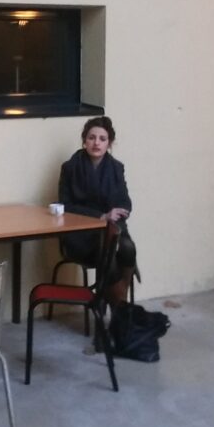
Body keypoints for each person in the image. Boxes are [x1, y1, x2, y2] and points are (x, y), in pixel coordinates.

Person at [58, 116, 138, 307]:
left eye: (102, 139)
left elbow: (125, 202)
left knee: (128, 247)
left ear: (109, 143)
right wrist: (101, 216)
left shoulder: (116, 168)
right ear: (84, 140)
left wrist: (118, 212)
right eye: (92, 137)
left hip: (111, 229)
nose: (96, 143)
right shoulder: (70, 167)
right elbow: (65, 205)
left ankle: (116, 301)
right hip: (81, 234)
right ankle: (119, 307)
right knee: (108, 253)